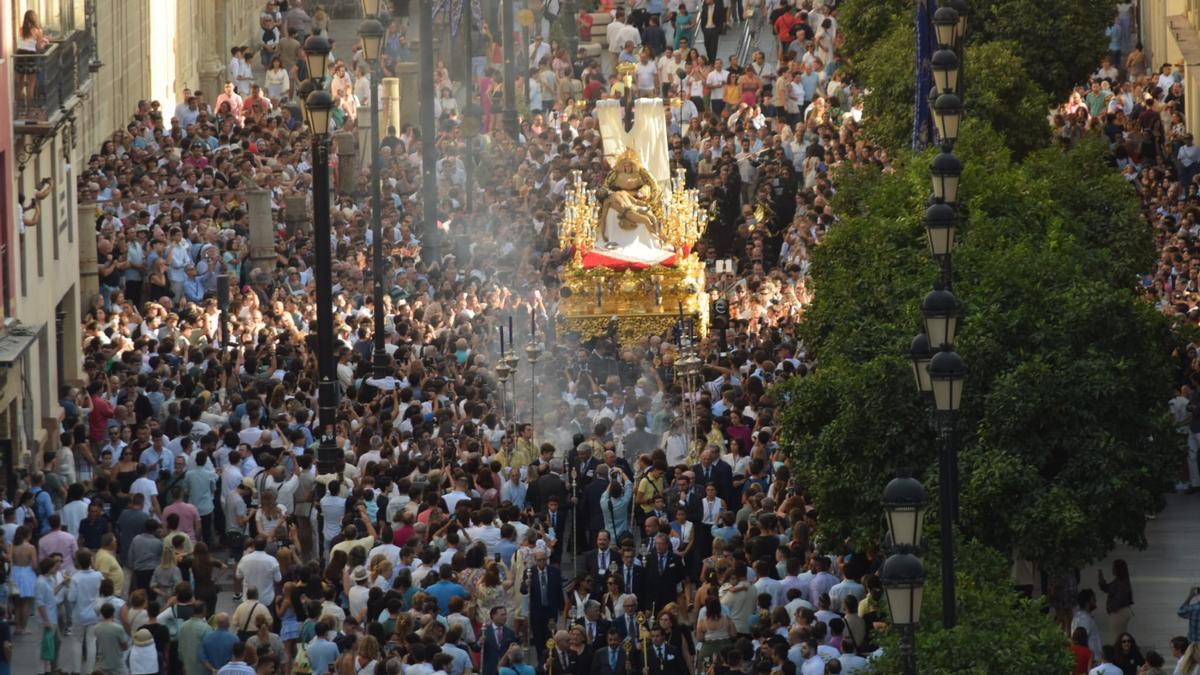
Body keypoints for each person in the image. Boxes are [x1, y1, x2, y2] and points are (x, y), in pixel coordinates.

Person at [1098, 560, 1134, 644]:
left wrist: (1110, 608)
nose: (1112, 570)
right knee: (1119, 637)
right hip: (1120, 612)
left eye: (1114, 568)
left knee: (1117, 638)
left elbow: (1119, 600)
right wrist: (1101, 580)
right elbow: (1107, 588)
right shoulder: (1119, 581)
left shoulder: (1121, 583)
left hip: (1119, 613)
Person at [94, 603, 130, 675]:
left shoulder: (97, 628)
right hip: (117, 663)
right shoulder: (118, 628)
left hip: (103, 663)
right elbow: (125, 646)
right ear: (113, 613)